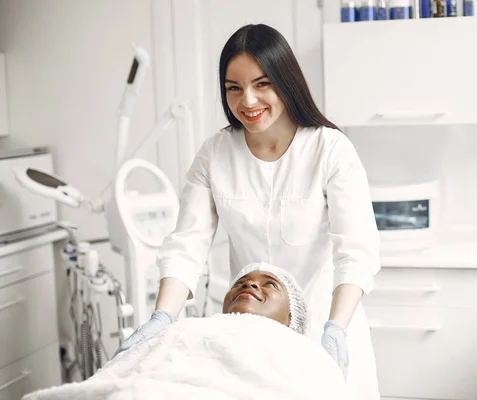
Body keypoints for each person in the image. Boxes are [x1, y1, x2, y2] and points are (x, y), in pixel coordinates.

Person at [115, 23, 381, 398]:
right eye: (234, 88)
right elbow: (186, 246)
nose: (248, 101)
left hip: (326, 323)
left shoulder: (329, 150)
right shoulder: (215, 154)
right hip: (247, 333)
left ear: (286, 81)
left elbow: (356, 252)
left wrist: (335, 329)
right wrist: (163, 317)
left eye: (262, 84)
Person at [25, 263, 350, 400]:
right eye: (242, 281)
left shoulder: (304, 353)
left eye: (270, 284)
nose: (250, 283)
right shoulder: (185, 330)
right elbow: (122, 380)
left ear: (292, 317)